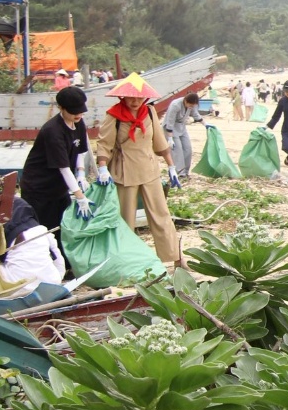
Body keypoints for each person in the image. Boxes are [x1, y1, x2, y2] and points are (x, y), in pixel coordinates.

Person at [94, 73, 183, 269]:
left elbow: (159, 141)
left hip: (149, 169)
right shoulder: (113, 115)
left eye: (139, 97)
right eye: (131, 97)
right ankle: (126, 262)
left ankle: (176, 257)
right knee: (126, 219)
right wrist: (102, 168)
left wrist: (171, 166)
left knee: (161, 215)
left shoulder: (149, 112)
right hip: (124, 170)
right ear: (123, 96)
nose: (135, 102)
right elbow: (104, 144)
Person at [20, 86, 94, 253]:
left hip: (60, 186)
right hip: (39, 188)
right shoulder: (52, 131)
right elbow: (64, 168)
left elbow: (80, 151)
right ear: (61, 108)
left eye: (80, 111)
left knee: (63, 227)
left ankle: (64, 264)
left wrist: (81, 174)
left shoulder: (78, 122)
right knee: (44, 230)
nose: (78, 115)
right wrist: (80, 196)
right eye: (73, 111)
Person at [162, 92, 204, 177]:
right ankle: (179, 173)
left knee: (187, 148)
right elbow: (170, 121)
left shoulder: (192, 106)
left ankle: (185, 172)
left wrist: (205, 124)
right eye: (190, 105)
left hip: (182, 127)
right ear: (185, 101)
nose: (191, 107)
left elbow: (195, 114)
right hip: (171, 128)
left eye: (193, 106)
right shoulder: (175, 105)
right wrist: (170, 138)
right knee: (177, 150)